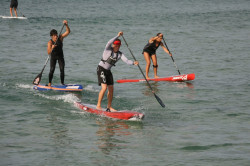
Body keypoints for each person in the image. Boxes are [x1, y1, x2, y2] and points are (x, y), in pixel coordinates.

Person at [96, 31, 139, 112]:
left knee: (111, 89)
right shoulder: (108, 49)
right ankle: (98, 105)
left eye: (118, 45)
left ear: (120, 46)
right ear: (113, 45)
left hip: (108, 71)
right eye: (115, 44)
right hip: (101, 68)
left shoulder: (120, 54)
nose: (116, 46)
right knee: (104, 88)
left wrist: (133, 63)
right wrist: (117, 36)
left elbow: (126, 61)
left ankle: (109, 107)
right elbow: (109, 42)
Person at [47, 20, 70, 87]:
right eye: (54, 35)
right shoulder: (50, 42)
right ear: (51, 36)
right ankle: (49, 83)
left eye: (56, 35)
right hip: (53, 57)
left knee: (62, 69)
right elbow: (48, 52)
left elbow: (68, 32)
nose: (56, 36)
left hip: (60, 56)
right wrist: (52, 47)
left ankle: (62, 83)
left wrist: (66, 25)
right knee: (52, 70)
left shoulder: (60, 37)